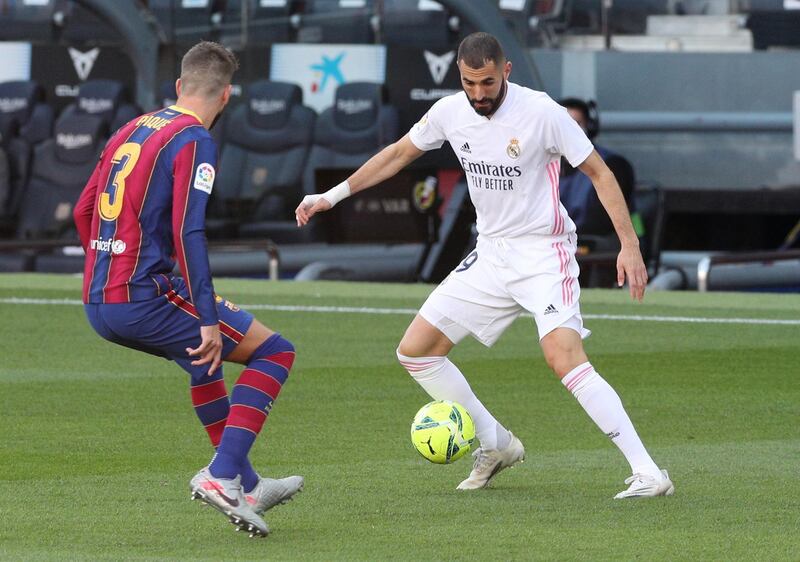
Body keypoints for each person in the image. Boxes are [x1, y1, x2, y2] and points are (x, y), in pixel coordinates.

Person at [296, 32, 673, 498]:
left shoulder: (542, 112)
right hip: (491, 253)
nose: (479, 93)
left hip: (543, 252)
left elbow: (600, 172)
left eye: (488, 83)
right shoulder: (450, 112)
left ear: (506, 71)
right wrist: (332, 196)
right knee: (416, 351)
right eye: (471, 83)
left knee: (563, 357)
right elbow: (397, 155)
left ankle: (648, 472)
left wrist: (629, 244)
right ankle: (496, 445)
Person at [73, 41, 302, 538]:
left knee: (204, 360)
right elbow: (186, 232)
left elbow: (83, 212)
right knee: (275, 353)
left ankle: (248, 483)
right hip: (143, 294)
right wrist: (205, 317)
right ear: (227, 96)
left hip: (99, 301)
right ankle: (222, 475)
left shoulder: (130, 128)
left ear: (178, 86)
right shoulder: (194, 139)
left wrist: (105, 268)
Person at [557, 98, 644, 240]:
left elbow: (601, 223)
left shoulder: (613, 164)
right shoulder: (546, 164)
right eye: (564, 125)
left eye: (576, 124)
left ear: (590, 127)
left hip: (598, 245)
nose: (569, 130)